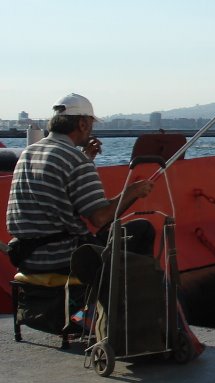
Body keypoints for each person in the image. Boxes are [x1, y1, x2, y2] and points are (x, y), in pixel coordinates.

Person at [5, 93, 154, 275]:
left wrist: (86, 159)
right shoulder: (75, 159)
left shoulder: (28, 153)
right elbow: (100, 218)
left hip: (26, 256)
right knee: (143, 229)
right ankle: (129, 298)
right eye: (90, 124)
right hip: (64, 257)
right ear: (82, 124)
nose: (91, 130)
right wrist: (133, 190)